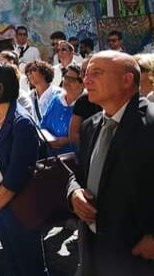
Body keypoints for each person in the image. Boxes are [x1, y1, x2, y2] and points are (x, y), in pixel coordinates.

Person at [68, 51, 154, 274]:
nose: (86, 80)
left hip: (138, 254)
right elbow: (78, 174)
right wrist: (74, 192)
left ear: (127, 80)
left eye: (96, 73)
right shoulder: (89, 126)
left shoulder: (150, 123)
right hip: (94, 249)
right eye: (86, 74)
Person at [0, 64, 48, 275]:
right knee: (13, 260)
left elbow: (17, 174)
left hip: (19, 206)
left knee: (29, 264)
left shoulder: (21, 123)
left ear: (0, 87)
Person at [40, 63, 79, 156]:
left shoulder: (86, 104)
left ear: (82, 83)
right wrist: (49, 139)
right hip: (51, 156)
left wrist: (67, 140)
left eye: (71, 80)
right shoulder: (56, 99)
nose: (66, 82)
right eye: (65, 78)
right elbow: (43, 124)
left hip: (73, 160)